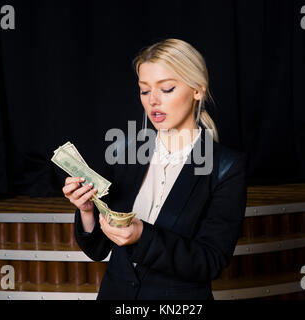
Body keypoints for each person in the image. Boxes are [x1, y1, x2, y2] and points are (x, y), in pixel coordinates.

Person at [62, 38, 247, 300]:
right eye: (144, 90)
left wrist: (142, 236)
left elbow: (211, 261)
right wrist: (87, 211)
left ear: (198, 91)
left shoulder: (226, 167)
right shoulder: (124, 153)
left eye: (167, 88)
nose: (153, 101)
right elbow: (97, 250)